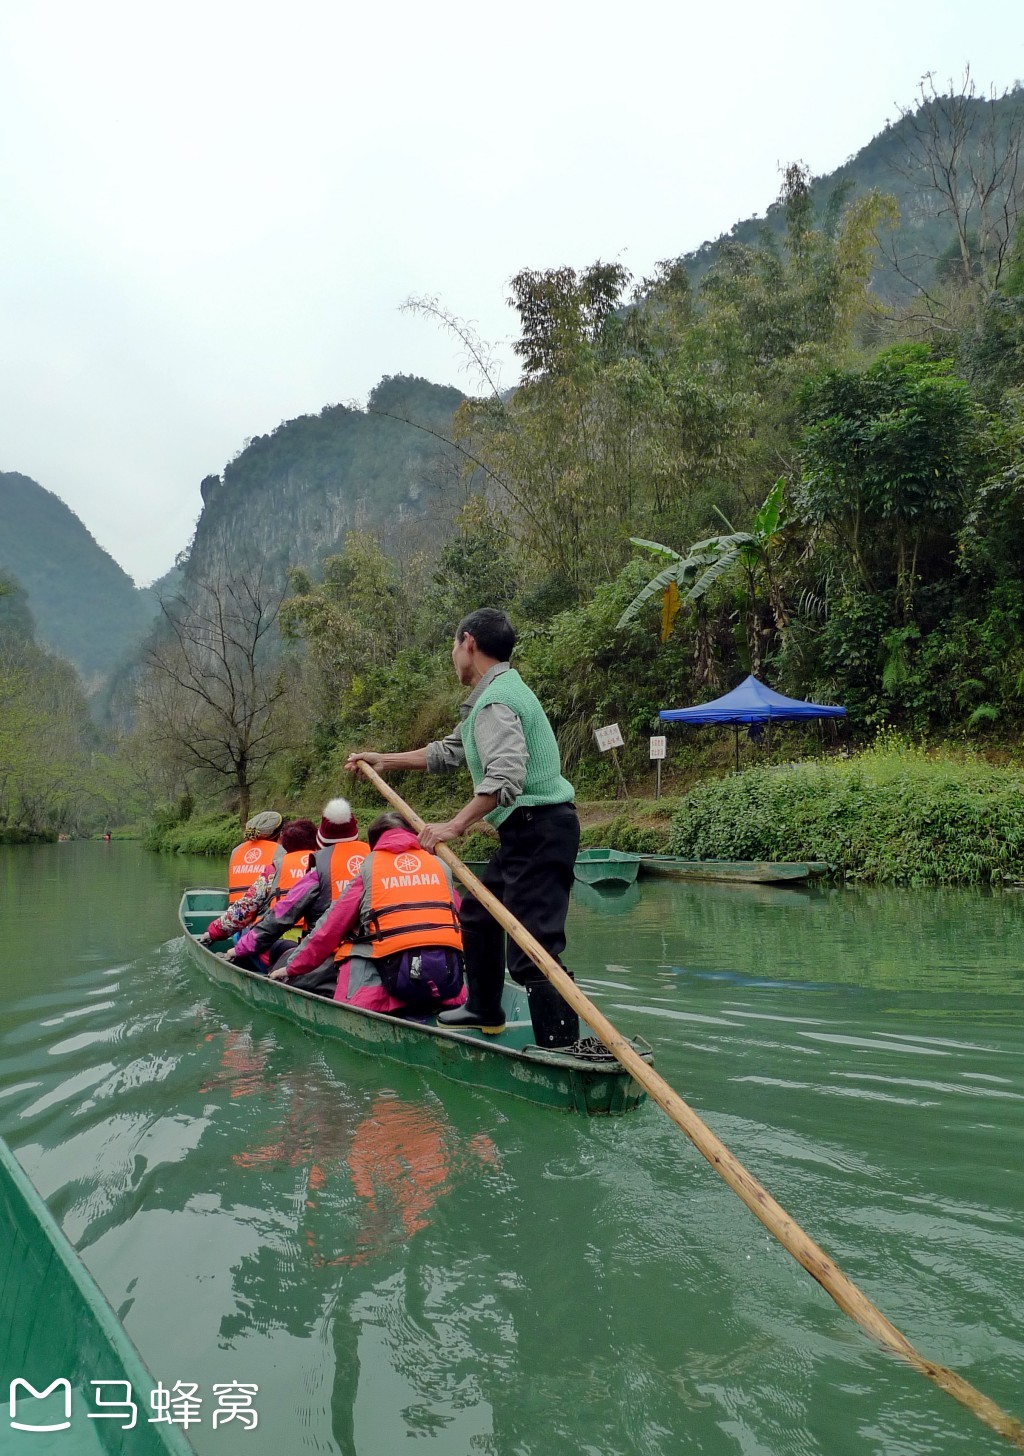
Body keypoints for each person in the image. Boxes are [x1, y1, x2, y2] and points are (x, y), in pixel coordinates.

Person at [346, 607, 580, 1048]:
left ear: (468, 642)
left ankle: (563, 1049)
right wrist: (385, 760)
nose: (453, 656)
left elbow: (505, 777)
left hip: (540, 829)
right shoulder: (493, 697)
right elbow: (448, 751)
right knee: (477, 915)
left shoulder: (495, 702)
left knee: (533, 952)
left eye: (453, 646)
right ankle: (484, 1009)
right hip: (525, 832)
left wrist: (455, 825)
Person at [269, 811, 466, 1016]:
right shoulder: (440, 866)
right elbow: (464, 922)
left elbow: (329, 927)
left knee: (354, 943)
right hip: (448, 985)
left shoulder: (368, 869)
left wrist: (292, 968)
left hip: (386, 991)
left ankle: (359, 1005)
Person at [226, 801, 371, 983]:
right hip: (371, 953)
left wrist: (221, 936)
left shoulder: (309, 869)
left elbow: (278, 915)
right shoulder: (373, 860)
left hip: (318, 955)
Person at [227, 810, 285, 903]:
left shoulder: (236, 851)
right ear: (280, 833)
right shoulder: (280, 851)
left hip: (235, 909)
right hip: (264, 910)